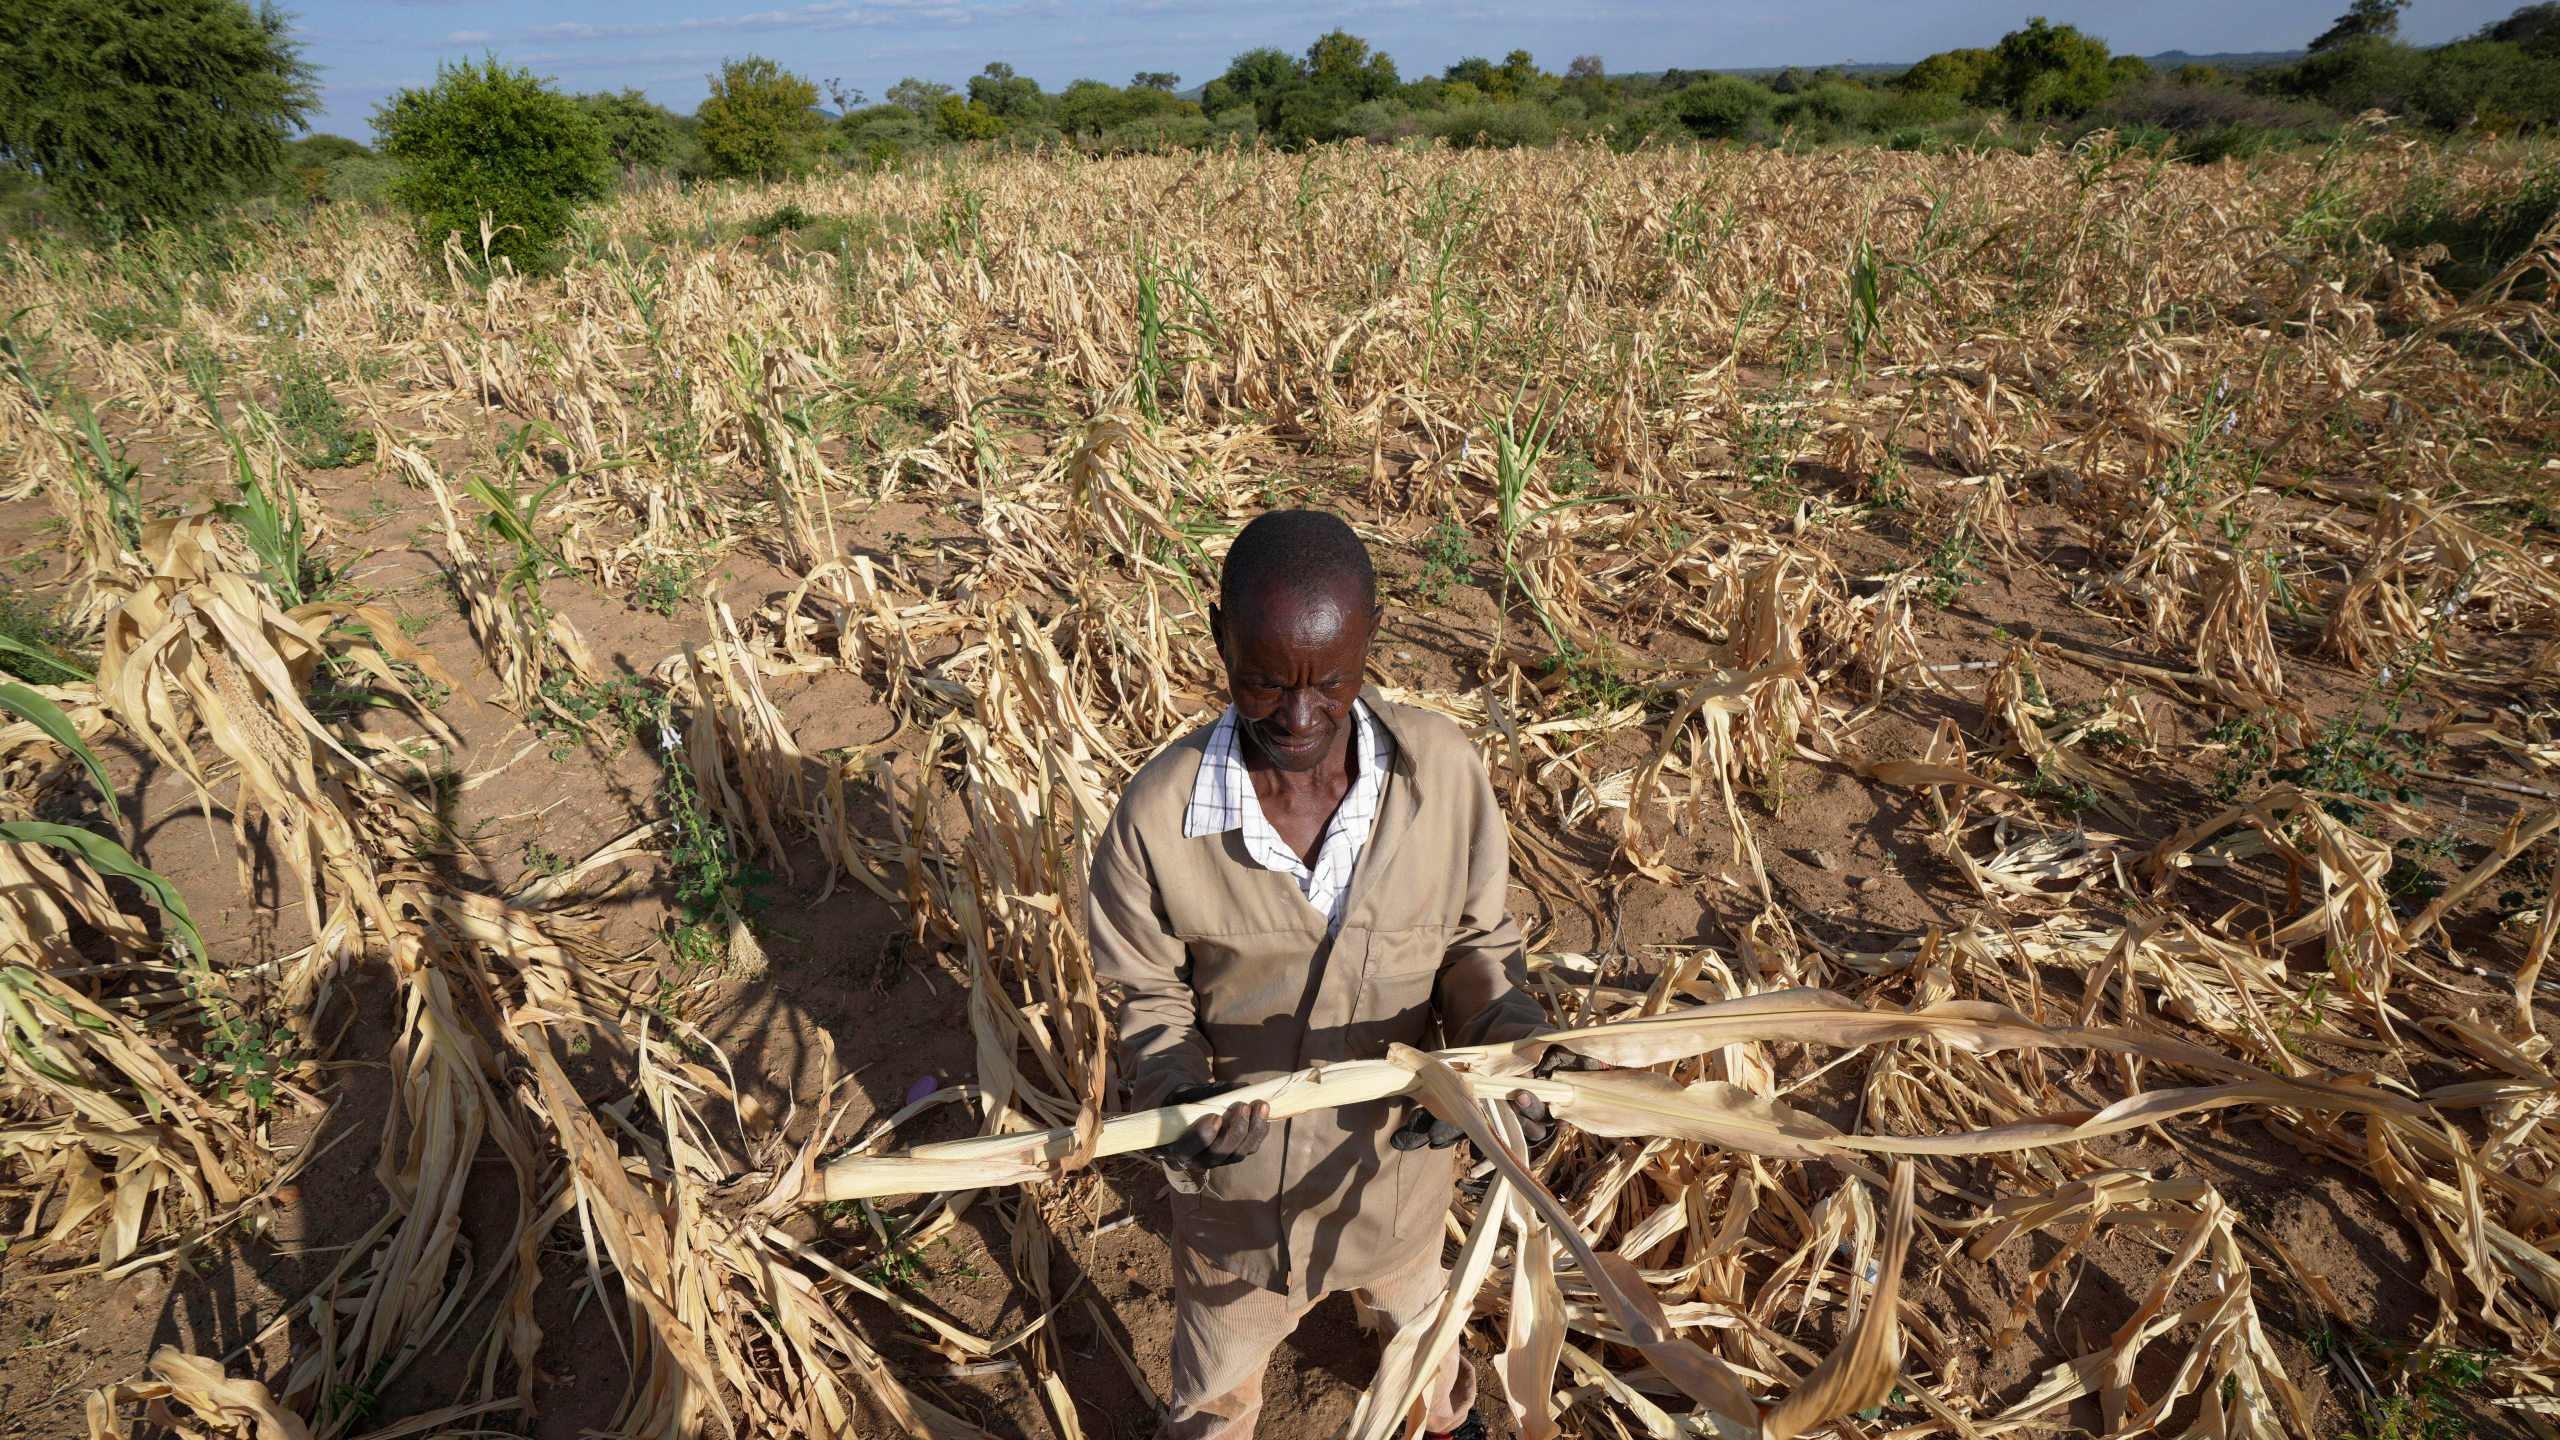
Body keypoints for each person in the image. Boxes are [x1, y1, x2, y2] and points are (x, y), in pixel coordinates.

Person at [1087, 508, 1592, 1440]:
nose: (1300, 715)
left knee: (1424, 1342)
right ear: (1218, 641)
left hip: (1395, 1187)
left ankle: (1440, 1415)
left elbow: (1475, 950)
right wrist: (1180, 1098)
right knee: (1216, 1394)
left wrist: (1511, 1043)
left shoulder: (1442, 775)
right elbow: (1147, 997)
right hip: (1238, 1219)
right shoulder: (1157, 821)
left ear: (1370, 644)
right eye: (1264, 683)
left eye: (1331, 682)